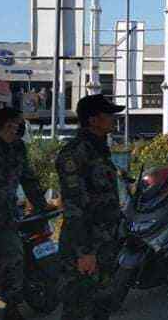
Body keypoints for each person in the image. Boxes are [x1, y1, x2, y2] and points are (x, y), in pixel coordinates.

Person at [56, 95, 125, 320]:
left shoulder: (99, 150)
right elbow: (74, 205)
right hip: (85, 246)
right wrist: (84, 252)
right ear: (93, 120)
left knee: (102, 306)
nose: (113, 119)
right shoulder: (74, 153)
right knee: (78, 307)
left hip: (104, 243)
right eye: (108, 115)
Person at [0, 108, 49, 320]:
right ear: (8, 124)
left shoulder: (18, 148)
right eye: (19, 122)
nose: (22, 126)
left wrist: (41, 206)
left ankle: (10, 308)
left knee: (14, 259)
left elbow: (28, 178)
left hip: (5, 216)